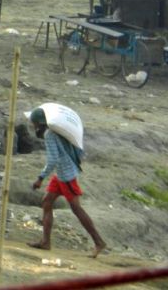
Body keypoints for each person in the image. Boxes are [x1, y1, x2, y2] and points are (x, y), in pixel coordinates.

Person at [27, 107, 106, 258]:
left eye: (35, 124)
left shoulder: (50, 135)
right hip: (61, 174)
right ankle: (45, 242)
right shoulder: (58, 131)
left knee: (76, 208)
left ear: (40, 124)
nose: (34, 127)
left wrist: (40, 178)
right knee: (47, 202)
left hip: (66, 176)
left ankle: (99, 242)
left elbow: (52, 160)